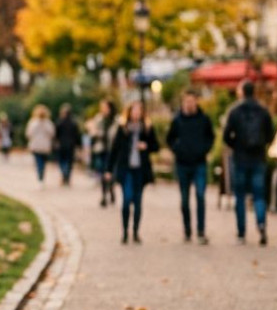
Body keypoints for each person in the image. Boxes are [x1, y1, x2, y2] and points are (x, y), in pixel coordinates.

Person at [223, 80, 275, 246]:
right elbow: (270, 135)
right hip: (258, 157)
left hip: (240, 158)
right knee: (259, 195)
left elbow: (226, 136)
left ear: (241, 92)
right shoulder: (263, 111)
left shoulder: (235, 111)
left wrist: (236, 146)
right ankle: (261, 225)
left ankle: (241, 232)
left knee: (240, 196)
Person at [106, 100, 159, 244]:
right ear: (129, 112)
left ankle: (135, 232)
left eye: (139, 110)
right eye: (134, 110)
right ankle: (124, 231)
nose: (136, 113)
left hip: (140, 170)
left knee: (138, 202)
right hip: (126, 169)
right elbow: (114, 150)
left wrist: (145, 146)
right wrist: (109, 169)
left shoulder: (147, 128)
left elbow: (156, 146)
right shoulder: (123, 129)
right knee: (126, 199)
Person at [166, 89, 214, 244]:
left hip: (199, 162)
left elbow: (210, 137)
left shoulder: (204, 119)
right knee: (185, 199)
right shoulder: (177, 120)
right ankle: (187, 229)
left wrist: (204, 149)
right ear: (183, 102)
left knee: (200, 195)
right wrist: (177, 150)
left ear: (196, 101)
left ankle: (201, 231)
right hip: (183, 164)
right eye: (187, 101)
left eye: (192, 101)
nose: (189, 104)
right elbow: (170, 139)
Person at [89, 100, 118, 208]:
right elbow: (93, 132)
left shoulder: (116, 120)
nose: (103, 109)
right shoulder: (98, 119)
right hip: (101, 149)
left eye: (105, 107)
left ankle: (111, 189)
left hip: (112, 150)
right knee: (102, 173)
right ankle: (104, 195)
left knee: (110, 173)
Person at [25, 105, 55, 188]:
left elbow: (28, 134)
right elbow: (52, 134)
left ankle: (40, 178)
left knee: (39, 162)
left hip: (36, 146)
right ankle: (41, 176)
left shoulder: (33, 123)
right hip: (45, 146)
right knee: (43, 163)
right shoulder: (48, 123)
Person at [53, 104, 80, 186]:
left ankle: (64, 174)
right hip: (71, 145)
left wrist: (55, 142)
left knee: (62, 161)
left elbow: (56, 134)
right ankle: (67, 175)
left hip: (62, 144)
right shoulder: (74, 123)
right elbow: (77, 135)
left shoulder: (59, 122)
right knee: (69, 162)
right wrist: (78, 145)